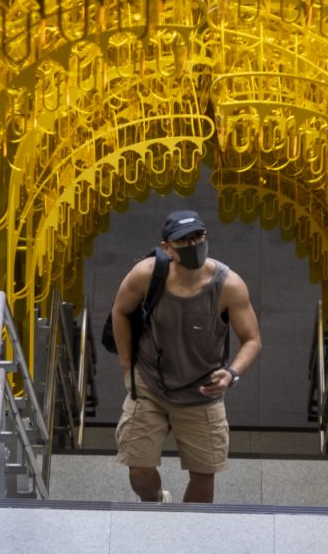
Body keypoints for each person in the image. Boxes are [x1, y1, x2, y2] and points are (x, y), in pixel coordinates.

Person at [110, 210, 261, 503]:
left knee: (204, 476)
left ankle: (190, 531)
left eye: (199, 236)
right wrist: (127, 364)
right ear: (167, 247)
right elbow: (120, 310)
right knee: (138, 470)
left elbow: (252, 340)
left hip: (202, 392)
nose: (194, 245)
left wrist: (231, 374)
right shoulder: (147, 274)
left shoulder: (228, 285)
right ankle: (155, 502)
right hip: (150, 386)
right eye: (184, 240)